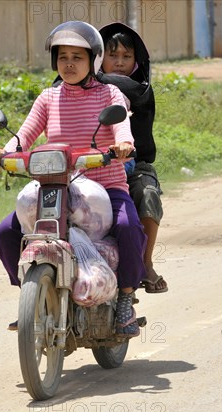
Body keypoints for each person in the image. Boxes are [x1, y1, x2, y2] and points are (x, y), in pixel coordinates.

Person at [0, 21, 146, 338]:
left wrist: (123, 145)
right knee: (6, 232)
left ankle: (126, 299)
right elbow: (24, 136)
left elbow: (121, 128)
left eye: (77, 57)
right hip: (56, 188)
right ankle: (33, 298)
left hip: (107, 188)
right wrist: (2, 152)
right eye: (63, 58)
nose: (69, 64)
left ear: (93, 61)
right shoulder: (48, 98)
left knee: (129, 228)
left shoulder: (109, 94)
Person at [97, 22, 168, 294]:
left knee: (148, 194)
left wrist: (92, 77)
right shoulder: (77, 87)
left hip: (133, 165)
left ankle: (146, 263)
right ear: (99, 57)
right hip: (86, 163)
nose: (119, 63)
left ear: (137, 61)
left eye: (127, 57)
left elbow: (126, 88)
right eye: (112, 56)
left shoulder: (141, 90)